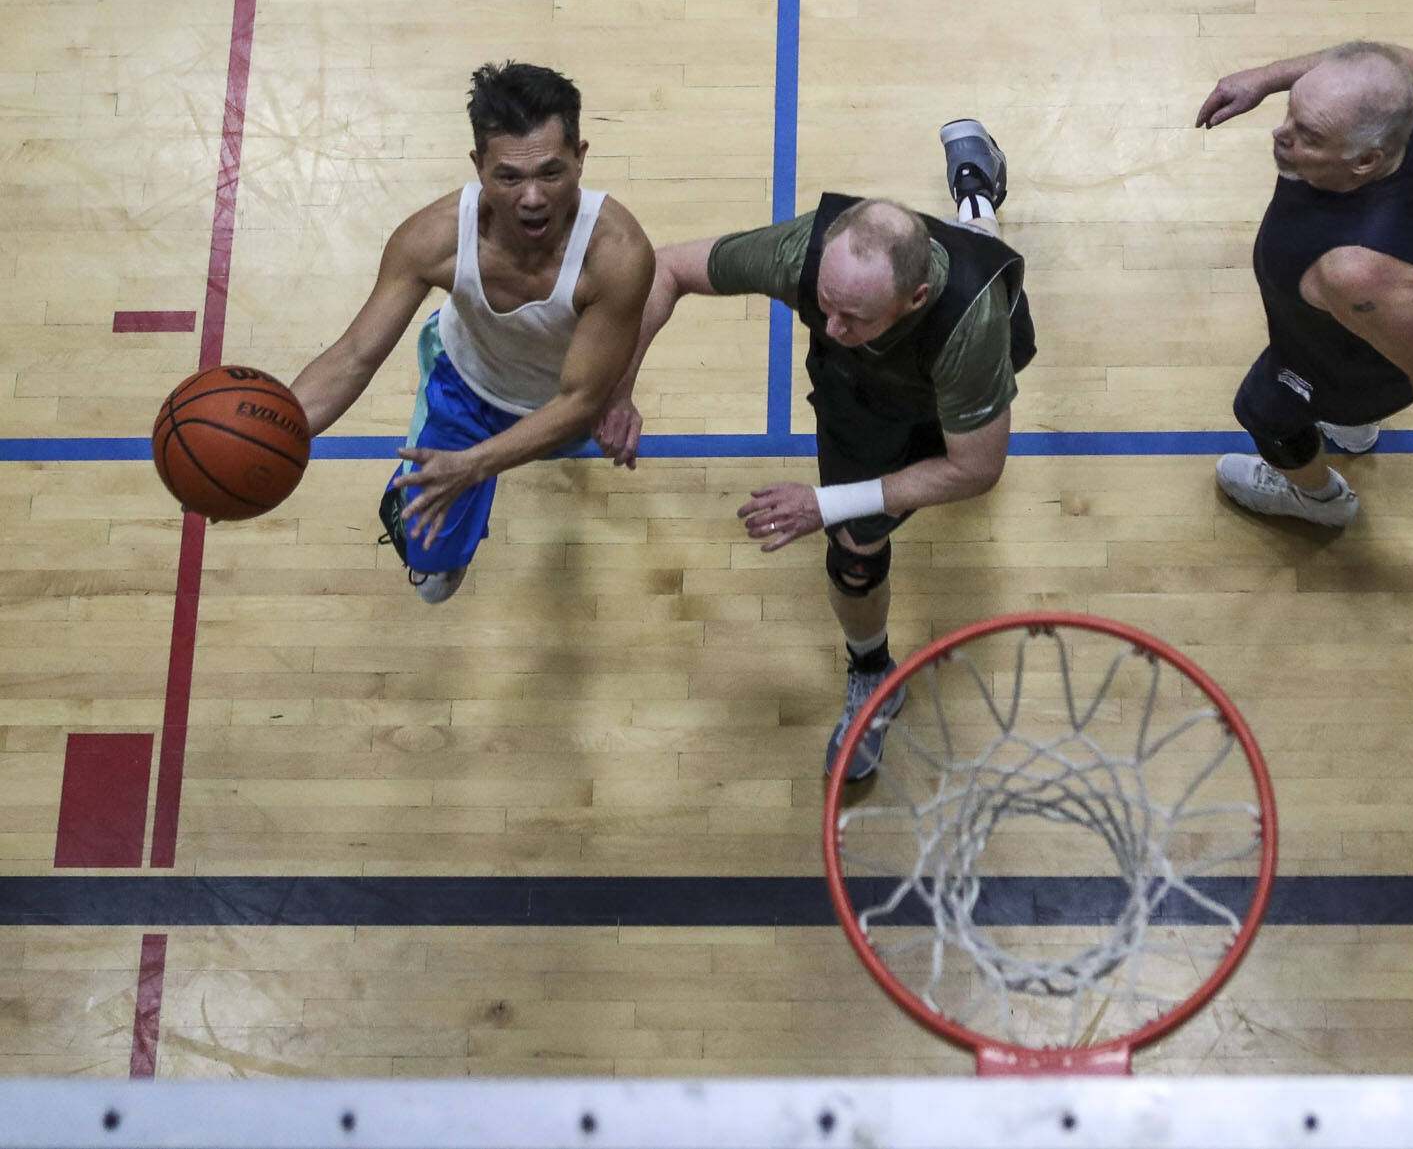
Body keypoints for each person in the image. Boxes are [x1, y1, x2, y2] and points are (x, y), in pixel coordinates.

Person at [597, 121, 1028, 782]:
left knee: (980, 260)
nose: (829, 328)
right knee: (856, 554)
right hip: (864, 399)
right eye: (824, 306)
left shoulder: (971, 328)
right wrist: (620, 389)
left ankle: (974, 199)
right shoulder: (805, 251)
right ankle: (873, 668)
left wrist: (825, 502)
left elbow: (977, 468)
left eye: (853, 317)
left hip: (949, 374)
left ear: (912, 299)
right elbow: (667, 269)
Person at [290, 61, 656, 601]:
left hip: (564, 398)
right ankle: (421, 524)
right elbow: (352, 358)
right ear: (478, 167)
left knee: (561, 436)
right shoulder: (431, 239)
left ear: (580, 159)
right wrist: (266, 441)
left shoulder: (618, 254)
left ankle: (466, 477)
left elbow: (581, 400)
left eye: (550, 173)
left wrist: (474, 466)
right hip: (465, 387)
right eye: (509, 176)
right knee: (433, 582)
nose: (532, 197)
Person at [1196, 41, 1413, 526]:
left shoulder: (1354, 272)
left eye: (1309, 135)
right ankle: (1354, 429)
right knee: (1361, 359)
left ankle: (1320, 501)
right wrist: (1267, 77)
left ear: (1364, 162)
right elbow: (1389, 57)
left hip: (1360, 359)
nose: (1281, 135)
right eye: (1291, 112)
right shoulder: (1402, 97)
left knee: (1264, 413)